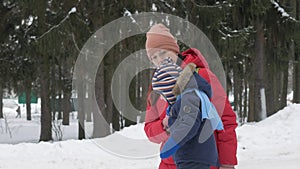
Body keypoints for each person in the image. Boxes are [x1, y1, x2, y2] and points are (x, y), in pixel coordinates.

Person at [144, 23, 238, 169]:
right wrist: (165, 126)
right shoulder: (156, 89)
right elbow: (149, 131)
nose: (159, 60)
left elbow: (226, 120)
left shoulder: (202, 76)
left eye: (163, 53)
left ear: (174, 50)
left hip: (202, 162)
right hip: (170, 163)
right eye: (153, 57)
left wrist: (227, 163)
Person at [151, 56, 223, 169]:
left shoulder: (189, 98)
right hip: (191, 156)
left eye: (162, 94)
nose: (161, 98)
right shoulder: (187, 99)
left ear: (170, 90)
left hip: (195, 157)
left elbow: (189, 124)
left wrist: (172, 144)